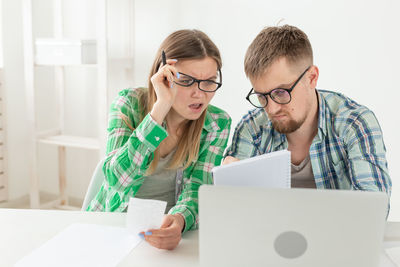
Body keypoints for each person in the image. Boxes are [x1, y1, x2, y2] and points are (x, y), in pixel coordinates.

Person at [87, 29, 231, 250]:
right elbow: (117, 180)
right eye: (188, 81)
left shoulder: (217, 123)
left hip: (164, 235)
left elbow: (198, 190)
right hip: (111, 228)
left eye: (209, 81)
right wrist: (159, 111)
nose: (200, 94)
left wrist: (180, 221)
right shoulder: (128, 104)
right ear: (164, 74)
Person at [225, 25, 391, 197]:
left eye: (281, 92)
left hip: (337, 225)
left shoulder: (355, 123)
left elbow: (372, 208)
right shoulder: (251, 129)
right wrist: (228, 185)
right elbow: (237, 207)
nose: (271, 109)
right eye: (262, 96)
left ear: (312, 78)